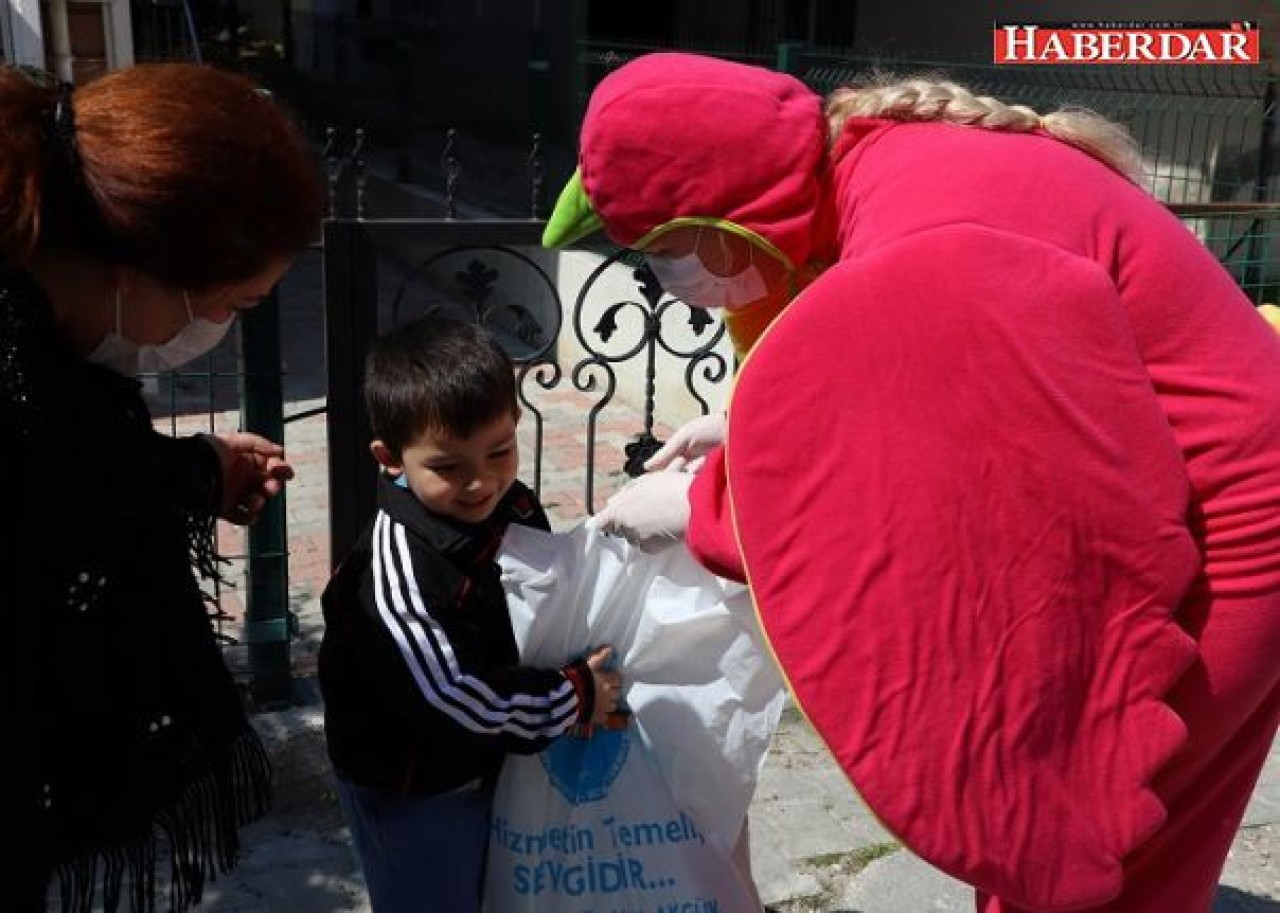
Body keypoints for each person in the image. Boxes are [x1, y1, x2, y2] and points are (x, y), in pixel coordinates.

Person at [542, 52, 1280, 913]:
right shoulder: (882, 161)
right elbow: (910, 387)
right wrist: (747, 427)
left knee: (1080, 844)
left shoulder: (928, 223)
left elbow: (935, 492)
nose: (673, 285)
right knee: (1147, 855)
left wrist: (706, 508)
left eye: (665, 253)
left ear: (727, 210)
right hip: (1230, 498)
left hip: (1227, 535)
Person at [0, 62, 324, 910]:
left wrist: (199, 472)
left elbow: (93, 476)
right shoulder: (26, 398)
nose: (219, 331)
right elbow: (65, 488)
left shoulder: (56, 375)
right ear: (132, 269)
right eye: (234, 306)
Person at [317, 315, 623, 913]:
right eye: (448, 467)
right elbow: (453, 697)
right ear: (391, 458)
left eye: (499, 451)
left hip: (488, 760)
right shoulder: (399, 571)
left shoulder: (512, 506)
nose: (481, 482)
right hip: (418, 790)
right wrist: (572, 695)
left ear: (515, 423)